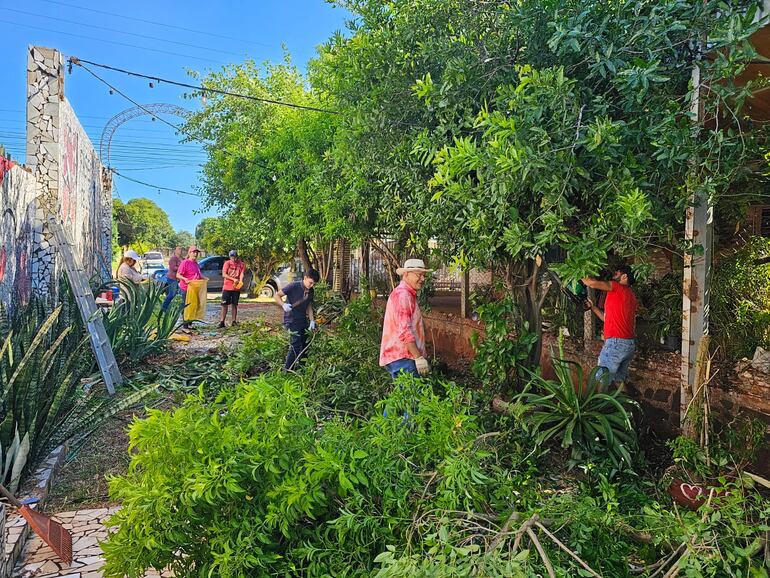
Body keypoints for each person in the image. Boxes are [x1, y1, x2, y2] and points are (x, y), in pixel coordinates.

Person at [582, 264, 639, 390]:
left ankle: (597, 407)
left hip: (616, 343)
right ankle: (625, 407)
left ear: (624, 276)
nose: (615, 274)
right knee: (619, 380)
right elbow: (606, 319)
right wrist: (593, 308)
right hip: (628, 344)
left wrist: (578, 272)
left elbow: (590, 283)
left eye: (617, 272)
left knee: (601, 378)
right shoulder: (630, 296)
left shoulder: (617, 287)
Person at [379, 258, 432, 379]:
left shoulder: (405, 294)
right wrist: (418, 357)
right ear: (406, 274)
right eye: (419, 275)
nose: (422, 279)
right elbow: (404, 331)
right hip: (404, 357)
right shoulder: (403, 296)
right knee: (412, 396)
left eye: (424, 275)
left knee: (406, 396)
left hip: (402, 358)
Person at [274, 269, 320, 370]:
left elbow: (309, 305)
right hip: (291, 319)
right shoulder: (293, 286)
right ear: (305, 278)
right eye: (310, 282)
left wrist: (312, 320)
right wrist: (283, 305)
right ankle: (287, 370)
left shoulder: (311, 290)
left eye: (314, 284)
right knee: (296, 344)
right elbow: (277, 295)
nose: (311, 285)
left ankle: (302, 368)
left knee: (305, 343)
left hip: (302, 319)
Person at [177, 246, 206, 331]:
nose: (195, 254)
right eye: (193, 252)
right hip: (186, 288)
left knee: (193, 306)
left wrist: (204, 278)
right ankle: (185, 326)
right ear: (189, 253)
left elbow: (198, 275)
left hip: (194, 288)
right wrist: (185, 279)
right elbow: (178, 275)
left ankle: (189, 324)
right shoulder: (185, 262)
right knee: (186, 307)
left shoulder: (196, 263)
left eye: (196, 252)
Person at [219, 250, 245, 328]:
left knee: (234, 304)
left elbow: (242, 273)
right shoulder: (227, 263)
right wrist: (233, 279)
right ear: (230, 257)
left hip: (236, 287)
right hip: (227, 286)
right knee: (224, 304)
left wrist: (240, 281)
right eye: (232, 257)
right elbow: (224, 274)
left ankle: (234, 321)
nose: (234, 259)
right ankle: (222, 321)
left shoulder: (241, 264)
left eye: (235, 257)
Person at [161, 246, 183, 313]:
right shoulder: (173, 258)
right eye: (179, 249)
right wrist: (181, 267)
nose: (180, 250)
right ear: (175, 251)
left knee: (175, 294)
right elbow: (173, 268)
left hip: (177, 278)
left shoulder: (179, 258)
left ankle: (169, 307)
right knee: (172, 294)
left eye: (181, 249)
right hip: (172, 278)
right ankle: (164, 307)